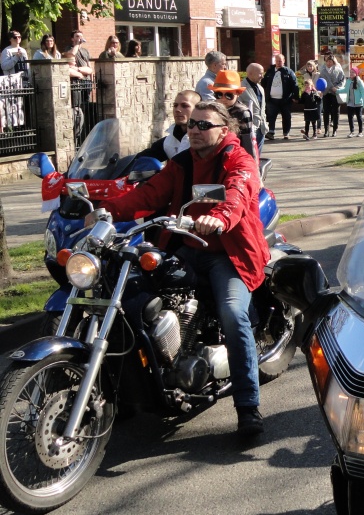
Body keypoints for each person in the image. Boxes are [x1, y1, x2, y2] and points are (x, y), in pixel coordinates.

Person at [101, 101, 270, 436]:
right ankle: (128, 391)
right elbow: (147, 195)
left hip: (229, 254)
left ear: (224, 130)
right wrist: (104, 211)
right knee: (131, 299)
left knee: (234, 314)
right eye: (192, 124)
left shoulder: (238, 160)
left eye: (204, 125)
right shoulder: (181, 163)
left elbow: (237, 193)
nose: (194, 129)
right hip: (188, 248)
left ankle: (248, 406)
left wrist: (218, 218)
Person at [140, 90, 200, 161]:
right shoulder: (168, 142)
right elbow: (139, 160)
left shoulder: (204, 139)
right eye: (175, 105)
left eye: (184, 106)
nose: (177, 110)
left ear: (198, 109)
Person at [212, 69, 257, 160]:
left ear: (238, 93)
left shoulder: (242, 112)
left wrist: (250, 162)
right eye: (218, 94)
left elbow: (247, 140)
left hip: (235, 155)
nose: (223, 99)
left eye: (229, 95)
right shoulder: (212, 109)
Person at [263, 54, 298, 140]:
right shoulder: (270, 71)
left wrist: (295, 96)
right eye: (277, 61)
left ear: (284, 61)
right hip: (271, 99)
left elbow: (295, 84)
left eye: (280, 61)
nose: (278, 63)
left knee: (286, 116)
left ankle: (286, 132)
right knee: (271, 116)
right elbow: (264, 82)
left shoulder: (289, 72)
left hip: (285, 100)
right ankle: (271, 132)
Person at [237, 63, 267, 150]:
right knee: (249, 155)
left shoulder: (260, 88)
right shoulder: (241, 88)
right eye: (260, 73)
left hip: (261, 128)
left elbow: (262, 108)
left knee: (257, 157)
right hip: (248, 129)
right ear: (250, 73)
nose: (262, 76)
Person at [318, 55, 345, 136]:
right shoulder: (323, 71)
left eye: (330, 61)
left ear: (333, 62)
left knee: (336, 112)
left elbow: (343, 81)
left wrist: (337, 88)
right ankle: (326, 130)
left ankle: (335, 129)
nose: (329, 63)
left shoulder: (339, 70)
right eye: (327, 61)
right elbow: (320, 82)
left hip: (335, 93)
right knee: (326, 112)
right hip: (326, 93)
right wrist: (322, 90)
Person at [344, 66, 364, 138]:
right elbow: (345, 90)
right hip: (350, 103)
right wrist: (337, 91)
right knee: (350, 117)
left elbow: (363, 93)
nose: (351, 73)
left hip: (358, 103)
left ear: (356, 73)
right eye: (350, 72)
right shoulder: (348, 81)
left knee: (359, 117)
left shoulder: (359, 82)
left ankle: (360, 132)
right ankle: (352, 131)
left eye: (353, 72)